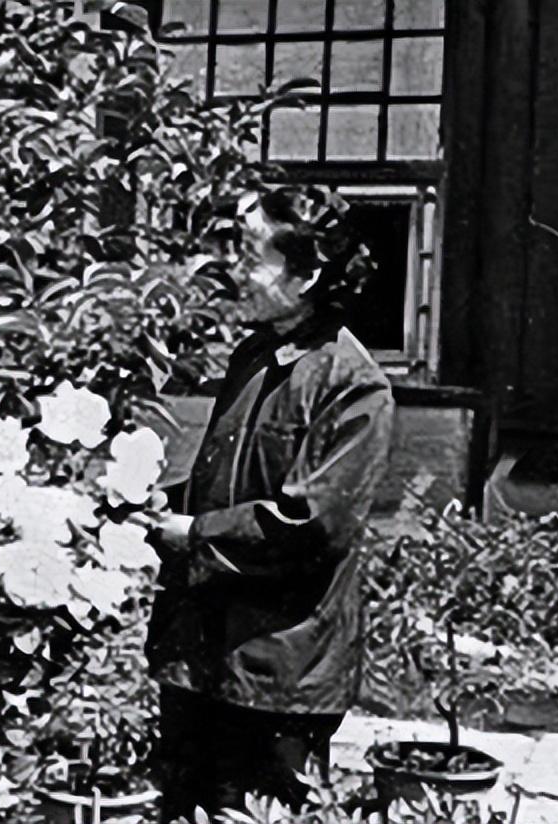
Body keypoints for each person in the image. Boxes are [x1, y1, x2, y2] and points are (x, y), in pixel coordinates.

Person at [146, 191, 395, 820]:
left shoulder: (352, 383)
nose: (233, 269)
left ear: (305, 275)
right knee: (182, 806)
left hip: (278, 666)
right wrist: (151, 503)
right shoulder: (254, 356)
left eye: (250, 256)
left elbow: (311, 523)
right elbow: (229, 483)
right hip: (202, 647)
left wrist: (192, 531)